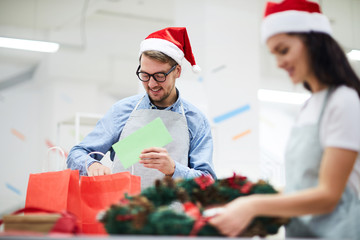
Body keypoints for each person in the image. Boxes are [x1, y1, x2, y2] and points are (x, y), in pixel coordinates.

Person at [209, 0, 360, 238]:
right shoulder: (309, 106)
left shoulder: (343, 100)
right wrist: (244, 199)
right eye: (274, 54)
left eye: (283, 50)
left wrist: (254, 205)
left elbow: (328, 196)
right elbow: (301, 186)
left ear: (314, 41)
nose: (279, 63)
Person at [67, 27, 216, 189]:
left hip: (173, 213)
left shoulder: (196, 120)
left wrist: (174, 169)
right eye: (145, 75)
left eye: (160, 76)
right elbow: (77, 153)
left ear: (177, 71)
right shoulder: (122, 111)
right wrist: (91, 165)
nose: (151, 84)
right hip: (124, 210)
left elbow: (208, 183)